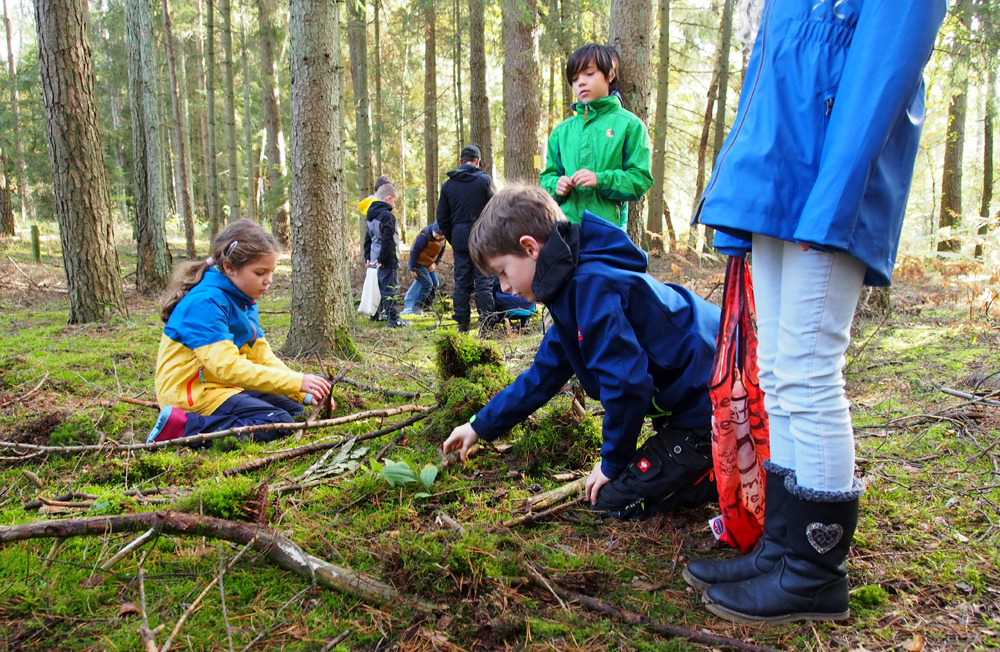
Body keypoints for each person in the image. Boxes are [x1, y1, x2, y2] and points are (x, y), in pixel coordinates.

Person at [684, 0, 947, 626]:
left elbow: (885, 68)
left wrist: (834, 197)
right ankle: (782, 550)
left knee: (808, 371)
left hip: (827, 180)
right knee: (776, 373)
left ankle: (813, 573)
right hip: (780, 179)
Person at [442, 186, 721, 520]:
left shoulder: (591, 287)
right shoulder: (570, 289)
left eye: (502, 271)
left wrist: (612, 462)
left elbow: (628, 385)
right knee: (616, 491)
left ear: (530, 248)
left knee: (613, 499)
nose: (503, 287)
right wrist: (478, 426)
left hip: (715, 405)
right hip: (696, 403)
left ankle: (727, 470)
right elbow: (540, 378)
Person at [148, 220, 331, 444]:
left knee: (294, 411)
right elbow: (228, 367)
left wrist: (301, 390)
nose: (269, 280)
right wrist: (295, 381)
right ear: (229, 267)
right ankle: (183, 427)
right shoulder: (205, 304)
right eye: (260, 272)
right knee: (279, 423)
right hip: (191, 393)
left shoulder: (244, 298)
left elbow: (261, 357)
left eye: (271, 272)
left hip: (221, 385)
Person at [540, 43, 653, 230]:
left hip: (608, 234)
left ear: (610, 74)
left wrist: (600, 180)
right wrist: (555, 185)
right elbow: (547, 177)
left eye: (589, 74)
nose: (581, 82)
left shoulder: (629, 125)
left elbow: (640, 178)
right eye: (575, 79)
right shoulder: (562, 131)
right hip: (566, 231)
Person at [436, 144, 495, 333]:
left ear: (460, 162)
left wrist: (454, 237)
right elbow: (496, 211)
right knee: (484, 282)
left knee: (462, 282)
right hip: (483, 239)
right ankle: (486, 325)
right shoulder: (486, 181)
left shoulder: (448, 185)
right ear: (477, 161)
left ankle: (462, 325)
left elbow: (442, 218)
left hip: (461, 239)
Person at [364, 183, 405, 328]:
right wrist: (382, 259)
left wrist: (368, 257)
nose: (394, 204)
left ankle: (375, 314)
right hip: (387, 259)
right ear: (388, 198)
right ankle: (393, 319)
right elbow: (387, 240)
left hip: (375, 258)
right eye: (394, 201)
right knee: (390, 288)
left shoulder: (370, 215)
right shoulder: (387, 216)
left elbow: (368, 238)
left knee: (378, 288)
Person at [402, 222, 447, 316]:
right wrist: (413, 269)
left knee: (435, 284)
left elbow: (441, 251)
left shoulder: (443, 238)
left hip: (430, 263)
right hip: (419, 263)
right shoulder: (424, 236)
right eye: (437, 235)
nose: (438, 238)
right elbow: (414, 252)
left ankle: (427, 306)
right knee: (427, 284)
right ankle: (417, 307)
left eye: (440, 235)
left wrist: (435, 263)